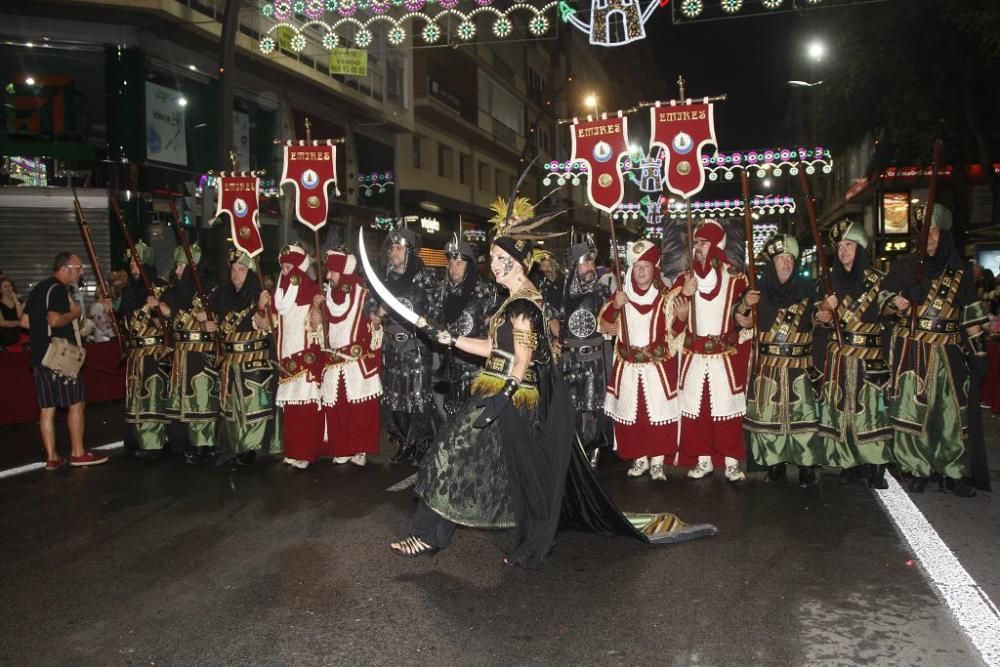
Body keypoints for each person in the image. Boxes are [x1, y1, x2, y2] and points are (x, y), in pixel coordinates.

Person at [388, 202, 716, 566]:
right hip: (499, 388)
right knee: (486, 464)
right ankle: (437, 535)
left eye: (498, 258)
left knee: (460, 456)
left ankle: (440, 537)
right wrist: (450, 338)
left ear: (515, 262)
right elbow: (494, 348)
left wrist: (503, 397)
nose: (493, 265)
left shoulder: (524, 305)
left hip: (511, 396)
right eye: (492, 258)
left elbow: (523, 360)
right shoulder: (513, 301)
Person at [883, 205, 989, 496]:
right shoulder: (905, 266)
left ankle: (952, 471)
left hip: (949, 352)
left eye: (933, 231)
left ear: (943, 234)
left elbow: (970, 315)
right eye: (923, 231)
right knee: (914, 412)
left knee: (951, 415)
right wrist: (902, 299)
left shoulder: (961, 270)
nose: (927, 238)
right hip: (913, 348)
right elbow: (882, 303)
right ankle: (918, 468)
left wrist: (980, 354)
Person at [814, 221, 893, 488]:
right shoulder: (828, 283)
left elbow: (890, 307)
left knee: (871, 411)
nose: (844, 251)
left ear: (860, 248)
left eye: (849, 245)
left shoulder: (879, 280)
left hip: (869, 357)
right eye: (839, 247)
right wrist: (824, 311)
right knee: (842, 410)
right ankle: (848, 462)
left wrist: (898, 304)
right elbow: (818, 320)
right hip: (839, 358)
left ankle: (876, 463)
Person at [673, 220, 752, 482]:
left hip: (723, 357)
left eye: (704, 242)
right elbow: (670, 317)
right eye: (696, 242)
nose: (698, 247)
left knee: (726, 411)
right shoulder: (685, 279)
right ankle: (703, 460)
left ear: (717, 244)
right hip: (694, 356)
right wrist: (683, 298)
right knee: (698, 410)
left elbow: (747, 319)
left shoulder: (737, 279)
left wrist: (747, 316)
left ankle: (731, 463)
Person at [742, 234, 823, 487]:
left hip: (800, 367)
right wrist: (745, 303)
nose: (785, 264)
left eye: (790, 259)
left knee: (803, 418)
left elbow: (822, 319)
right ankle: (774, 464)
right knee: (769, 418)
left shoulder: (809, 290)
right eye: (780, 259)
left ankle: (806, 466)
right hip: (769, 368)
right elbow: (741, 320)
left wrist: (826, 314)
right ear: (772, 263)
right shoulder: (758, 290)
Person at [599, 240, 682, 480]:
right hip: (628, 367)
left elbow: (676, 333)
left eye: (646, 266)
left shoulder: (666, 297)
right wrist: (615, 306)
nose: (641, 271)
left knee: (656, 414)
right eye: (637, 267)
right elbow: (604, 324)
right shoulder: (620, 296)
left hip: (657, 367)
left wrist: (682, 317)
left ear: (654, 269)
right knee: (633, 415)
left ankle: (657, 462)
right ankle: (639, 459)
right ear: (631, 270)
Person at [24, 252, 109, 469]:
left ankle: (52, 457)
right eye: (78, 268)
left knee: (47, 408)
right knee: (76, 403)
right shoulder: (59, 289)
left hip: (39, 356)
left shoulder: (39, 289)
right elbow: (54, 318)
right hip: (60, 357)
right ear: (65, 268)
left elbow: (25, 321)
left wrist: (42, 333)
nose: (81, 272)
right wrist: (75, 312)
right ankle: (78, 453)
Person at [372, 228, 438, 464]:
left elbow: (436, 310)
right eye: (392, 247)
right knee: (395, 400)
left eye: (399, 248)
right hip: (392, 349)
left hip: (417, 348)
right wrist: (377, 314)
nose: (393, 252)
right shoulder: (384, 279)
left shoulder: (425, 277)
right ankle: (403, 443)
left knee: (417, 398)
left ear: (409, 251)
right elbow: (372, 311)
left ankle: (421, 445)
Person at [207, 250, 277, 466]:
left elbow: (267, 325)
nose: (236, 274)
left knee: (252, 406)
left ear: (251, 272)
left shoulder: (261, 295)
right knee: (231, 408)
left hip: (253, 363)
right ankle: (236, 446)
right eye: (233, 269)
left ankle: (251, 448)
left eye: (242, 269)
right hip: (230, 362)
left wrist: (262, 308)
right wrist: (207, 325)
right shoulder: (221, 295)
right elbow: (214, 322)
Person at [152, 244, 219, 465]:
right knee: (183, 400)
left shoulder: (210, 289)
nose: (177, 271)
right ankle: (185, 441)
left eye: (181, 266)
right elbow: (166, 316)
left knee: (201, 399)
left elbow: (218, 316)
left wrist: (209, 320)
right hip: (181, 353)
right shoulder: (175, 290)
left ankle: (205, 445)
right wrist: (156, 307)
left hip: (201, 353)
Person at [320, 250, 383, 465]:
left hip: (357, 362)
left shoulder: (364, 294)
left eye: (332, 271)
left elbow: (376, 326)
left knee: (359, 409)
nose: (328, 276)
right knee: (337, 407)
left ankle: (359, 449)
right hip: (335, 362)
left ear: (344, 272)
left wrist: (376, 323)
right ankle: (341, 447)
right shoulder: (327, 295)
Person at [429, 235, 500, 418]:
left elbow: (495, 330)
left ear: (469, 264)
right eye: (451, 262)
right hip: (450, 366)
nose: (454, 267)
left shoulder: (486, 291)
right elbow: (433, 322)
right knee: (450, 416)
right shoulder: (440, 291)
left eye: (459, 262)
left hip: (478, 368)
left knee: (475, 418)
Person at [560, 237, 613, 468]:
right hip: (569, 359)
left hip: (593, 358)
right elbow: (550, 317)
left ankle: (591, 448)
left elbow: (612, 321)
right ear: (574, 266)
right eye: (584, 263)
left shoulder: (601, 292)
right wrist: (552, 322)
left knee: (591, 406)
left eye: (591, 262)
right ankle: (573, 449)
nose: (590, 267)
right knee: (570, 407)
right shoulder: (562, 294)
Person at [273, 244, 326, 469]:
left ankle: (306, 452)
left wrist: (316, 309)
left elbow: (319, 325)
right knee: (291, 409)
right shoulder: (281, 296)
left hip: (306, 359)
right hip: (286, 361)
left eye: (289, 266)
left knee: (305, 408)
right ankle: (293, 450)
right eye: (283, 267)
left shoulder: (310, 290)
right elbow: (270, 322)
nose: (286, 271)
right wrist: (261, 308)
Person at [118, 241, 170, 459]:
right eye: (130, 261)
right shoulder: (129, 290)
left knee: (152, 396)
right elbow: (124, 321)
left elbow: (165, 323)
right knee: (135, 397)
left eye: (136, 261)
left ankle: (153, 442)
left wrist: (156, 307)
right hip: (134, 353)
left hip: (152, 353)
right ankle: (136, 438)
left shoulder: (159, 286)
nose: (132, 265)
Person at [0, 277, 26, 351]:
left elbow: (20, 316)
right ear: (0, 290)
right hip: (4, 338)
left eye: (10, 286)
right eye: (5, 286)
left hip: (20, 336)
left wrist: (15, 299)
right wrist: (19, 323)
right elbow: (2, 323)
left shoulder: (21, 302)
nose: (8, 288)